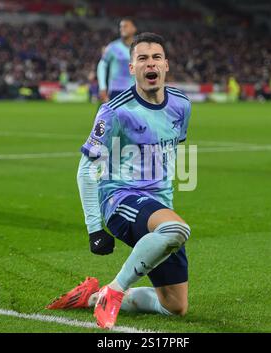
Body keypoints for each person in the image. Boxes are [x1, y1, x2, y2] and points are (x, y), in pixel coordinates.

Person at [47, 33, 192, 330]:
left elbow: (170, 154)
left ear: (165, 65)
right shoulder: (115, 110)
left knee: (174, 306)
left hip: (156, 204)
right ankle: (115, 289)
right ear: (131, 68)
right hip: (120, 199)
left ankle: (92, 297)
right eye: (142, 58)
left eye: (155, 58)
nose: (149, 63)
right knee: (177, 229)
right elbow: (86, 169)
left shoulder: (181, 104)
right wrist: (93, 229)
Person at [97, 17, 137, 103]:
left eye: (125, 26)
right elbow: (102, 65)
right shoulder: (113, 47)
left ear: (134, 29)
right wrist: (102, 87)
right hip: (116, 90)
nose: (122, 29)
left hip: (135, 90)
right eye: (121, 27)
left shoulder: (140, 47)